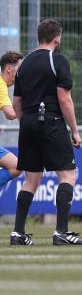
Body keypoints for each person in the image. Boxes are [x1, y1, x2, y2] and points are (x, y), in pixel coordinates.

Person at [11, 19, 82, 246]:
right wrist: (75, 130)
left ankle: (18, 233)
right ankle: (61, 233)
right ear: (57, 38)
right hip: (52, 122)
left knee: (31, 179)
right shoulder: (58, 60)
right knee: (68, 176)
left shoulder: (23, 65)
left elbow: (17, 104)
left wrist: (28, 125)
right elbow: (64, 99)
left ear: (38, 37)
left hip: (28, 124)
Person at [0, 51, 25, 191]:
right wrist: (30, 107)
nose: (22, 74)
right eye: (20, 69)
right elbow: (10, 114)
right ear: (9, 68)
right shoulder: (1, 85)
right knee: (16, 166)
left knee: (16, 166)